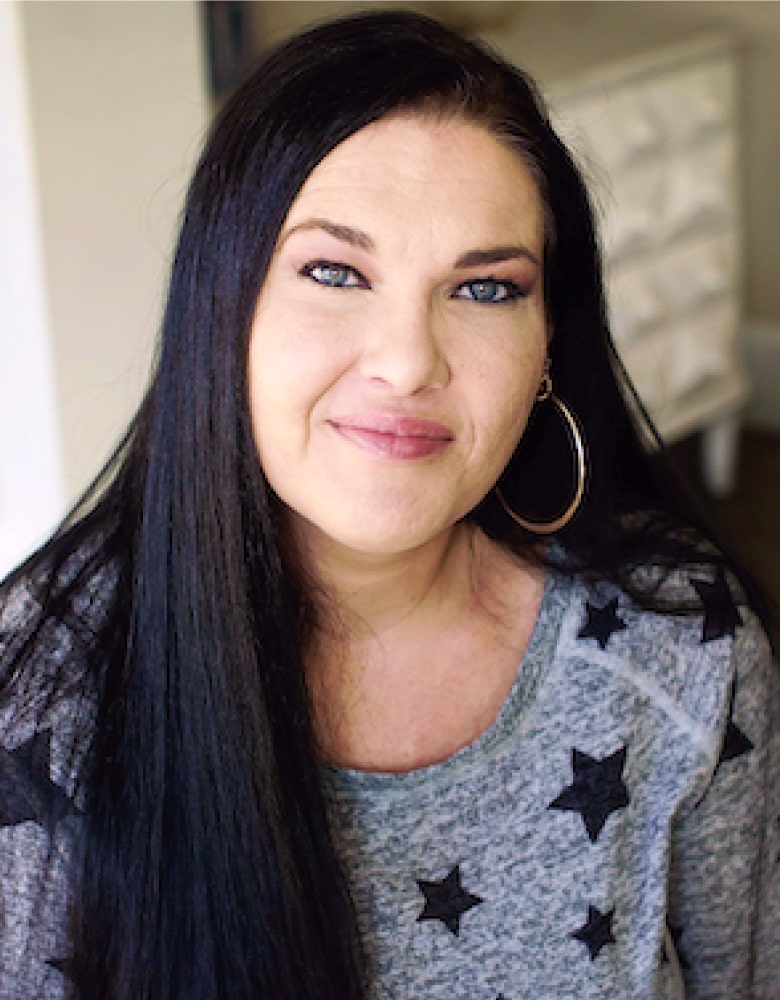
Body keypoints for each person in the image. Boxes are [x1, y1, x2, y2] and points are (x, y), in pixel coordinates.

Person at [0, 9, 776, 999]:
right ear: (222, 310)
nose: (409, 362)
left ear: (547, 344)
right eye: (334, 271)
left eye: (486, 289)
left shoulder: (679, 643)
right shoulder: (40, 702)